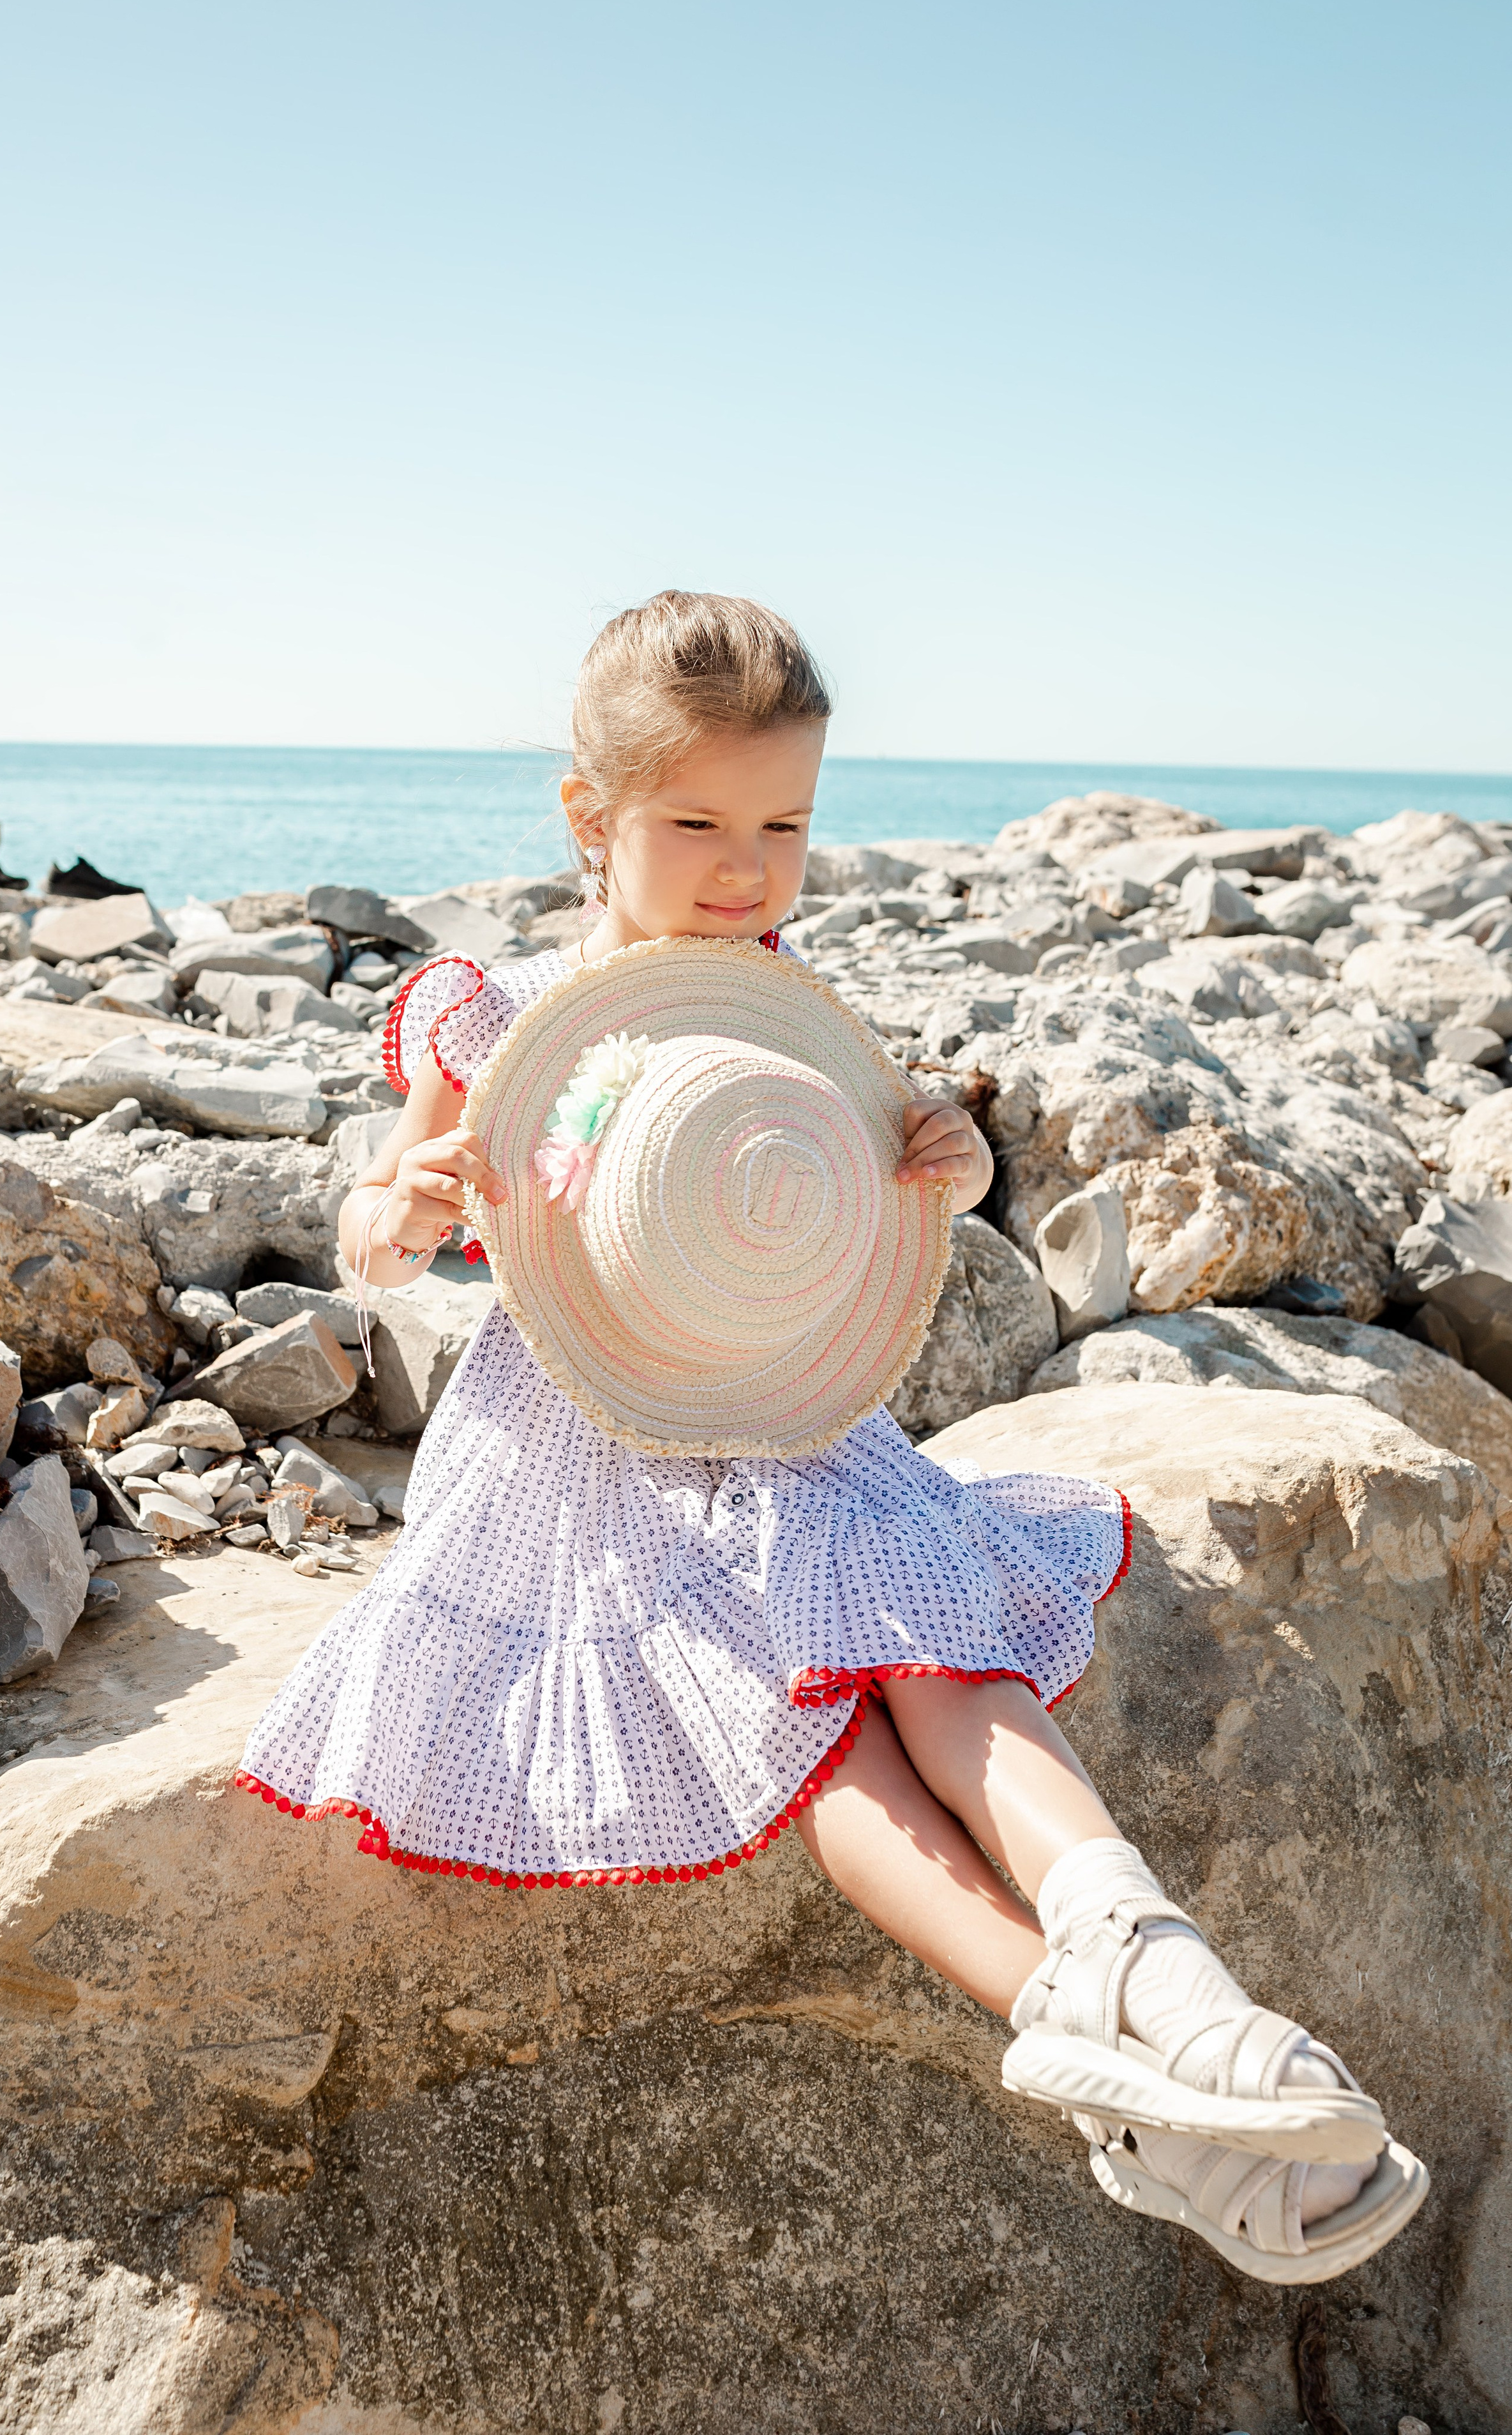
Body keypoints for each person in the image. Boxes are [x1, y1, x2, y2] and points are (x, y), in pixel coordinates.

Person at [237, 589, 1425, 2284]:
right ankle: (1104, 2062)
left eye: (784, 827)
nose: (746, 869)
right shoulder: (497, 1013)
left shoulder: (775, 1011)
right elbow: (371, 1231)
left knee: (935, 1646)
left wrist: (945, 1159)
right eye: (698, 825)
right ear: (590, 817)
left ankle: (1166, 1976)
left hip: (782, 1415)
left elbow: (848, 1195)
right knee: (803, 1733)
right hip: (579, 1445)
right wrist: (404, 1208)